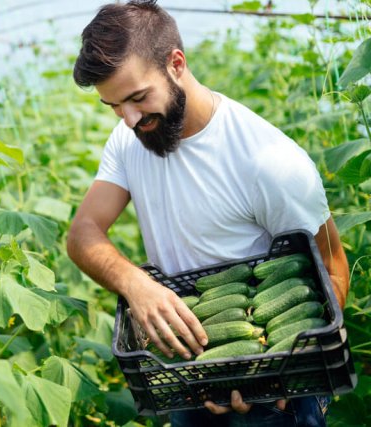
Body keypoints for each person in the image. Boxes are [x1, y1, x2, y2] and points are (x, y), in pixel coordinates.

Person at [66, 1, 350, 426]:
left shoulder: (268, 162)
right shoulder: (129, 140)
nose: (127, 118)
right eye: (113, 106)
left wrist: (276, 376)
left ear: (176, 64)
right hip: (185, 373)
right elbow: (83, 233)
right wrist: (135, 285)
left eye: (138, 98)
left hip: (272, 397)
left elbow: (334, 270)